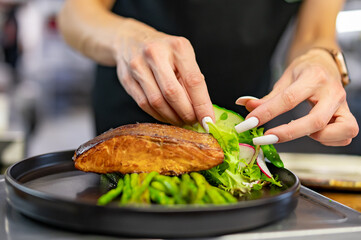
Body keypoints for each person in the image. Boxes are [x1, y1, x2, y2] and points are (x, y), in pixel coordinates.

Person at [58, 0, 358, 147]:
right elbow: (76, 14)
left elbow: (314, 34)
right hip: (133, 111)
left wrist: (320, 58)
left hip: (243, 126)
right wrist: (127, 37)